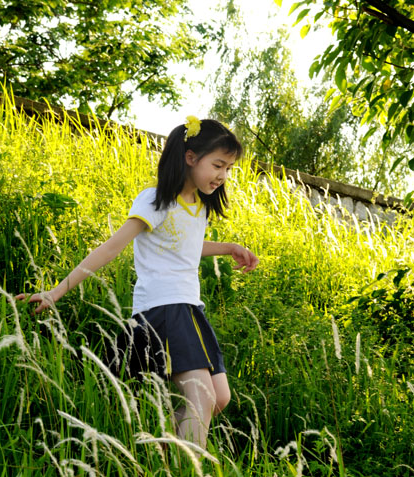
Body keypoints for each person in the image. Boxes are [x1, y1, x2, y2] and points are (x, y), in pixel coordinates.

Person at [16, 117, 259, 449]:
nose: (223, 175)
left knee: (219, 398)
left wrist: (228, 248)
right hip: (165, 307)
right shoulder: (156, 199)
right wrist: (56, 291)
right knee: (200, 399)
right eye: (218, 164)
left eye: (229, 168)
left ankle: (150, 453)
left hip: (189, 308)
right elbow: (112, 246)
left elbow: (184, 246)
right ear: (190, 157)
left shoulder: (199, 206)